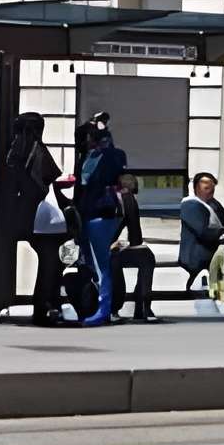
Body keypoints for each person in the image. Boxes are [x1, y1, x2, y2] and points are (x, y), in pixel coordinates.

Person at [0, 111, 68, 325]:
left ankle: (44, 305)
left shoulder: (12, 151)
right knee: (51, 260)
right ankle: (45, 305)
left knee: (49, 259)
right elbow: (53, 178)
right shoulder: (36, 150)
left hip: (18, 214)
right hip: (38, 216)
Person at [72, 112, 130, 328]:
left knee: (102, 263)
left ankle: (104, 309)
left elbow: (117, 160)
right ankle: (93, 305)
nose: (85, 141)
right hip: (85, 215)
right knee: (89, 264)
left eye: (89, 136)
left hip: (102, 214)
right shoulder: (84, 159)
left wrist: (104, 130)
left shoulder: (111, 156)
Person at [179, 172, 224, 318]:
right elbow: (202, 232)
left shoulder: (214, 204)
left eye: (212, 189)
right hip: (197, 252)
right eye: (207, 188)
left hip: (214, 249)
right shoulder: (190, 205)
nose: (210, 192)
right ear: (196, 188)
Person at [104, 175, 159, 323]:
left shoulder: (111, 195)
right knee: (145, 258)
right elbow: (135, 231)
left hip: (103, 246)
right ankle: (142, 304)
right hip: (105, 248)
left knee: (144, 257)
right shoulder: (126, 197)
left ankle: (120, 307)